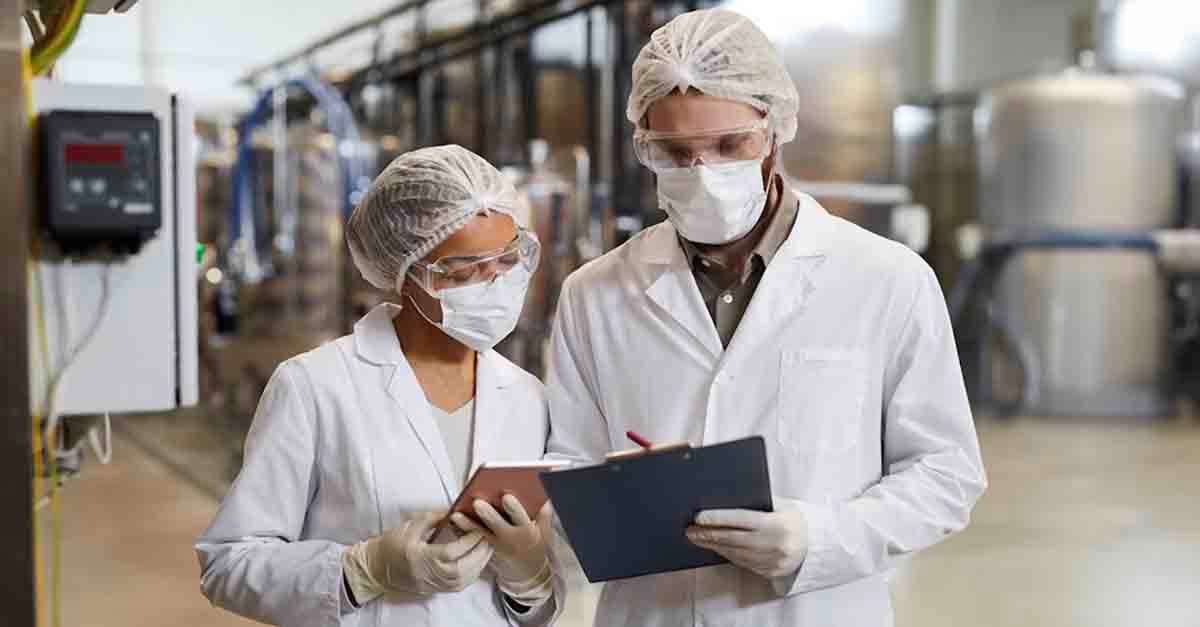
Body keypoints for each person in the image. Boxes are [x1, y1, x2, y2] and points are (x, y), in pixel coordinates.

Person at [545, 9, 986, 626]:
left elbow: (945, 473)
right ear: (644, 145)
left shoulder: (887, 279)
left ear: (774, 131)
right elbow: (568, 473)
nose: (703, 173)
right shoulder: (595, 293)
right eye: (674, 152)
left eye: (730, 146)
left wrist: (818, 539)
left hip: (816, 609)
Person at [196, 145, 564, 627]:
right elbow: (227, 564)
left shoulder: (528, 397)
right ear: (404, 273)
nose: (496, 281)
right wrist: (362, 571)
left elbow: (535, 611)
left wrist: (529, 577)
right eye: (466, 268)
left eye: (508, 258)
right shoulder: (315, 386)